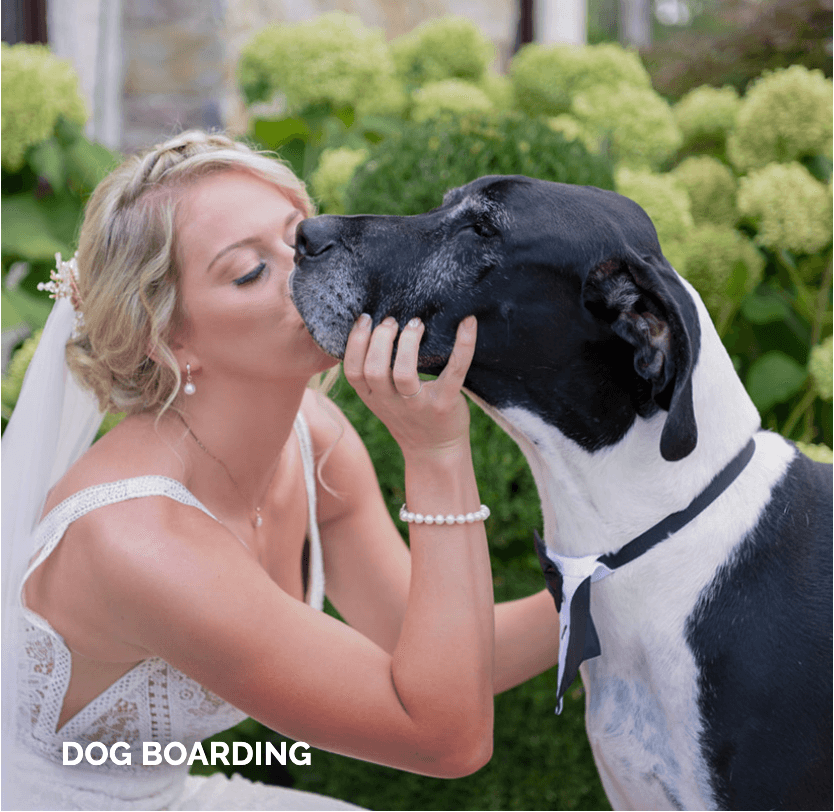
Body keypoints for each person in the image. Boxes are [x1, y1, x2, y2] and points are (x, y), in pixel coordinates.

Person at [2, 130, 560, 811]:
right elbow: (445, 736)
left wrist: (612, 581)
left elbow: (463, 664)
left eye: (301, 240)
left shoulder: (315, 441)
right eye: (248, 271)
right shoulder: (138, 541)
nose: (306, 273)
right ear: (169, 338)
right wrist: (437, 455)